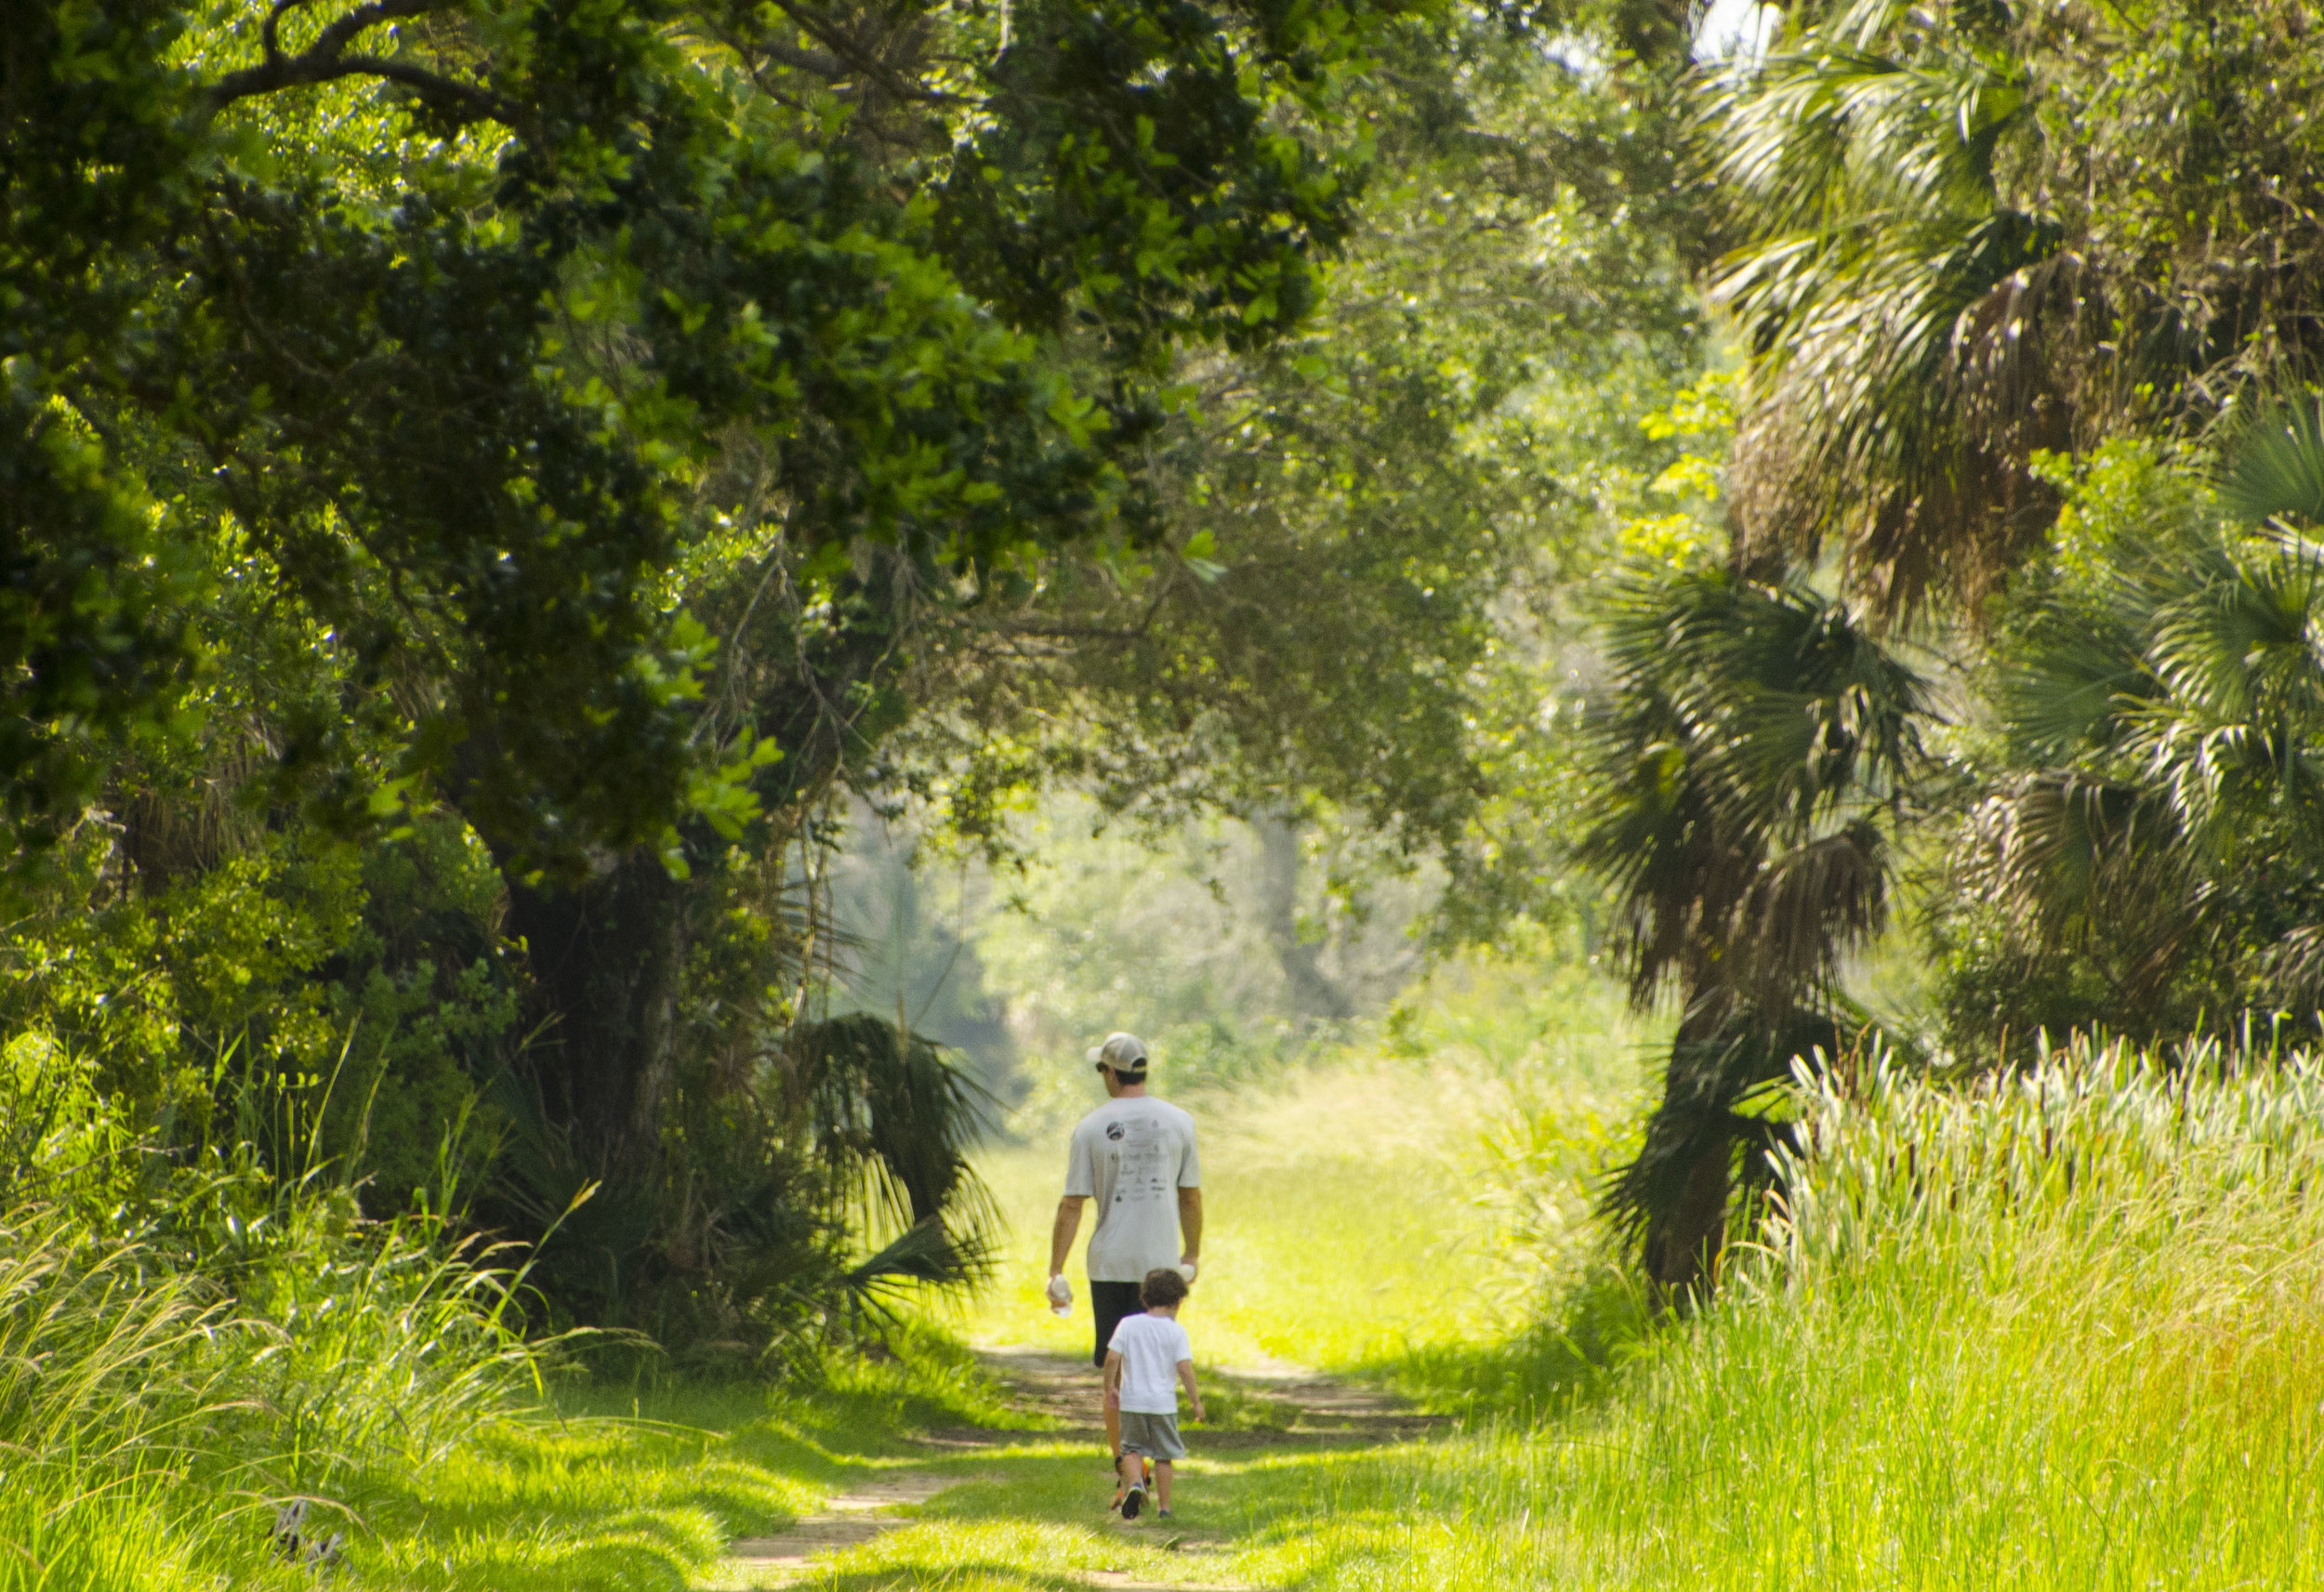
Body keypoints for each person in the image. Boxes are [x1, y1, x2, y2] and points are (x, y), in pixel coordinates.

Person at [1047, 1031, 1202, 1474]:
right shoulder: (1179, 1122)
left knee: (1114, 1372)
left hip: (1110, 1265)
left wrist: (1054, 1271)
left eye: (1102, 1070)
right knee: (1154, 1369)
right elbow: (1190, 1197)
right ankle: (1154, 1460)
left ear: (1111, 1073)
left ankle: (1126, 1469)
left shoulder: (1091, 1127)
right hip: (1161, 1270)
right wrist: (1190, 1256)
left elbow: (1071, 1205)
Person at [1103, 1267, 1204, 1520]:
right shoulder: (1176, 1331)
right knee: (1164, 1456)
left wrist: (1109, 1388)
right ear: (1178, 1301)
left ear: (1145, 1299)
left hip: (1132, 1402)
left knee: (1131, 1449)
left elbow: (1112, 1357)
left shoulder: (1128, 1324)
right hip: (1163, 1405)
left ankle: (1136, 1482)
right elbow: (1185, 1368)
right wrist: (1195, 1401)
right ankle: (1164, 1508)